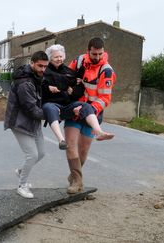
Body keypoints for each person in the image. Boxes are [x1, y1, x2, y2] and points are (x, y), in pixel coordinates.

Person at [64, 37, 116, 194]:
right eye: (94, 54)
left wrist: (88, 110)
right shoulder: (78, 61)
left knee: (83, 149)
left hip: (93, 112)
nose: (98, 57)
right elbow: (66, 78)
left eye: (100, 54)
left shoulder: (106, 71)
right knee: (70, 144)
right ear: (88, 52)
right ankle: (77, 181)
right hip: (74, 110)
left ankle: (74, 175)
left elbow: (105, 98)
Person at [42, 44, 114, 151]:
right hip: (52, 104)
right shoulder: (44, 71)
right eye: (56, 57)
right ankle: (61, 140)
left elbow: (79, 88)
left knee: (86, 106)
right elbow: (39, 86)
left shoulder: (69, 71)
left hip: (67, 105)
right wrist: (48, 88)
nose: (59, 59)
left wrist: (73, 91)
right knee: (49, 107)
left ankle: (99, 132)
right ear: (49, 58)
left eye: (61, 56)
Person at [4, 51, 49, 199]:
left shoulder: (37, 78)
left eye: (45, 66)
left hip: (32, 122)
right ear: (32, 63)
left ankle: (20, 172)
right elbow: (30, 109)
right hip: (19, 122)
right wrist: (51, 115)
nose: (43, 69)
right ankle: (22, 186)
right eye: (40, 66)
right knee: (32, 155)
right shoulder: (25, 82)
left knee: (41, 153)